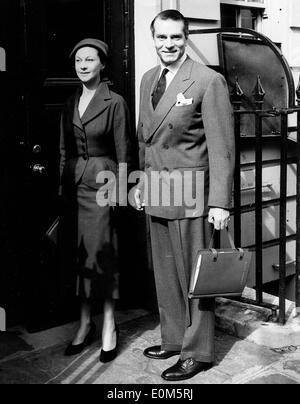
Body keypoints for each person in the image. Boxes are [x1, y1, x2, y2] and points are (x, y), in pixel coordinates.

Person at [134, 10, 235, 381]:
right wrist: (142, 184)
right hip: (158, 189)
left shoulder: (208, 81)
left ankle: (198, 352)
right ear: (154, 39)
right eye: (162, 38)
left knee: (194, 277)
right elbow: (146, 140)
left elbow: (222, 146)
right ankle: (174, 339)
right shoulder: (148, 79)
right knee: (165, 274)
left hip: (192, 193)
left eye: (176, 37)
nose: (169, 45)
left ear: (186, 37)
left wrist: (220, 201)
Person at [59, 38, 133, 363]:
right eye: (79, 61)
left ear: (102, 64)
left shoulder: (115, 102)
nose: (84, 66)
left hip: (104, 186)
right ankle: (85, 322)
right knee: (80, 257)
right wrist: (63, 188)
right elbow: (64, 150)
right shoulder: (69, 101)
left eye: (90, 60)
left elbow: (124, 151)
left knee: (103, 257)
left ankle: (109, 327)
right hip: (75, 188)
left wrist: (119, 193)